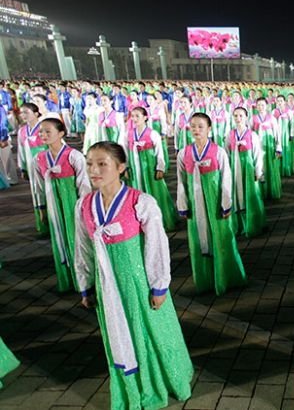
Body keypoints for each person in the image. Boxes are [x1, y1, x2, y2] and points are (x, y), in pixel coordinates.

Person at [74, 141, 193, 410]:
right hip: (107, 287)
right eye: (90, 163)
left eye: (102, 164)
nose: (94, 170)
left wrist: (159, 286)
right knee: (119, 335)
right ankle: (130, 386)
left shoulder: (140, 202)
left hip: (139, 284)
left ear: (121, 167)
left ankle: (162, 381)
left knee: (151, 332)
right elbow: (82, 248)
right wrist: (86, 285)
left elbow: (157, 245)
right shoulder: (84, 205)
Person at [176, 113, 247, 295]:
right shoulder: (184, 153)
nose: (196, 130)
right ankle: (205, 279)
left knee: (222, 237)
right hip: (195, 204)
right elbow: (181, 180)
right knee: (198, 241)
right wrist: (183, 204)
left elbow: (226, 179)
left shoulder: (218, 151)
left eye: (200, 126)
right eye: (193, 126)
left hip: (216, 204)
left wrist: (226, 203)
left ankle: (227, 277)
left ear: (209, 129)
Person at [34, 118, 91, 292]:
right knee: (58, 238)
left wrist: (85, 207)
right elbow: (38, 186)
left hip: (72, 202)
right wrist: (41, 208)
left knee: (77, 239)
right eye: (41, 131)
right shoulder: (39, 158)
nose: (43, 135)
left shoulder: (73, 155)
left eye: (48, 131)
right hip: (53, 205)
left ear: (61, 133)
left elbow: (83, 183)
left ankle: (85, 280)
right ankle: (67, 278)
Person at [126, 107, 177, 232]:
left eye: (137, 116)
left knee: (156, 192)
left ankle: (159, 220)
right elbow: (125, 151)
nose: (134, 119)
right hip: (135, 166)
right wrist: (126, 167)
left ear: (145, 117)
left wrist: (160, 168)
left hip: (149, 167)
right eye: (133, 116)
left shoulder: (152, 133)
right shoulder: (129, 133)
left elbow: (159, 152)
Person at [226, 107, 266, 238]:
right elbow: (226, 152)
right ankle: (239, 226)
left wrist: (258, 170)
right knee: (236, 196)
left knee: (251, 195)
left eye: (241, 116)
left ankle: (253, 224)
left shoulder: (252, 135)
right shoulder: (230, 134)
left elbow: (257, 154)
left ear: (246, 117)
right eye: (236, 116)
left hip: (248, 168)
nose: (238, 119)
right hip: (234, 167)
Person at [17, 103, 49, 234]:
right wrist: (23, 168)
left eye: (26, 112)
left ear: (36, 113)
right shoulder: (22, 131)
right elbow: (21, 150)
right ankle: (42, 225)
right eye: (22, 113)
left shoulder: (45, 128)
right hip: (32, 167)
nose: (23, 115)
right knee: (37, 192)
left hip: (46, 165)